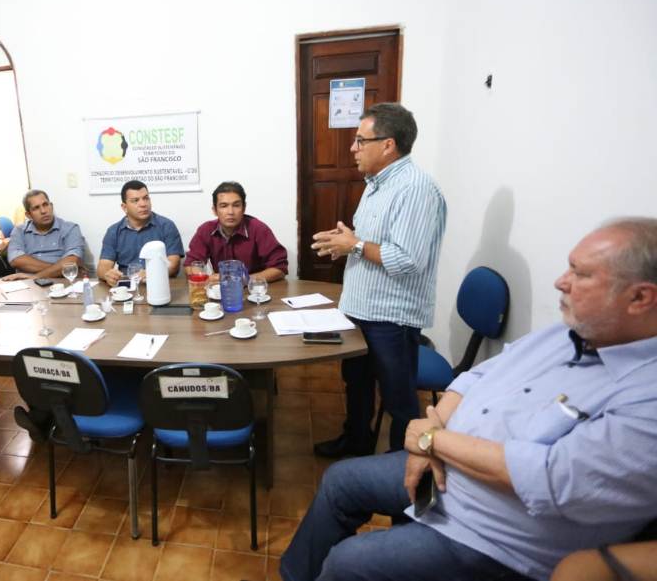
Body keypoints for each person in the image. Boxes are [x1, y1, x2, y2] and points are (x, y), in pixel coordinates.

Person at [281, 219, 657, 581]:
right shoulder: (564, 335)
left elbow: (548, 478)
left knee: (349, 562)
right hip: (447, 466)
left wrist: (431, 440)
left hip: (495, 534)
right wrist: (432, 427)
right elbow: (475, 376)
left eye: (581, 274)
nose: (561, 282)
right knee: (340, 481)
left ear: (640, 298)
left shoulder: (646, 396)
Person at [311, 102, 447, 457]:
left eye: (361, 140)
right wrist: (347, 242)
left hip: (391, 316)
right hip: (362, 307)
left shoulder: (415, 188)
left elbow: (406, 259)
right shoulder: (376, 185)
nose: (352, 148)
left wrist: (354, 245)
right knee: (356, 383)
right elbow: (375, 242)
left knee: (398, 398)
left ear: (388, 145)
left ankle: (400, 467)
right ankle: (355, 442)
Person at [184, 181, 288, 282]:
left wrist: (244, 279)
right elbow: (191, 264)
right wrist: (204, 278)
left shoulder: (258, 229)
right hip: (222, 289)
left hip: (254, 288)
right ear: (215, 210)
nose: (230, 212)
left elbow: (279, 268)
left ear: (244, 208)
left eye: (236, 205)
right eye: (224, 206)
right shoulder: (206, 230)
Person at [97, 180, 184, 286]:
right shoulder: (114, 231)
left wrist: (152, 273)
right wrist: (108, 275)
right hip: (127, 288)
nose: (143, 204)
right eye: (135, 200)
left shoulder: (166, 226)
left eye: (146, 198)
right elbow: (103, 267)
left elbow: (173, 265)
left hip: (160, 285)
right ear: (124, 207)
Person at [6, 189, 85, 279]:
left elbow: (72, 261)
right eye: (36, 208)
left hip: (61, 282)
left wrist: (35, 277)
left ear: (51, 206)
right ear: (28, 215)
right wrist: (60, 270)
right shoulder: (19, 231)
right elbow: (16, 260)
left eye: (45, 205)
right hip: (28, 283)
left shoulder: (70, 228)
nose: (43, 211)